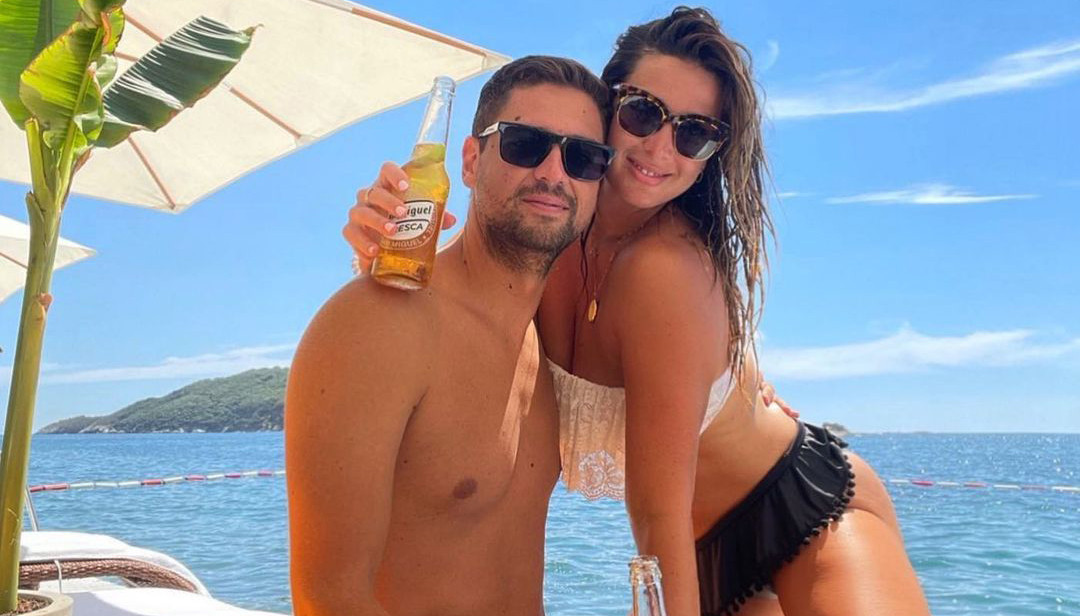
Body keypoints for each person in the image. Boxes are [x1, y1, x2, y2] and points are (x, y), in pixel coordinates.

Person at [345, 7, 932, 616]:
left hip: (805, 514)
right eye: (643, 113)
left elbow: (657, 513)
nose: (659, 146)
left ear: (711, 154)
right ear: (607, 106)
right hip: (696, 549)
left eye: (695, 133)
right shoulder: (545, 234)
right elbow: (453, 316)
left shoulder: (667, 271)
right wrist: (382, 248)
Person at [285, 56, 613, 616]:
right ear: (470, 160)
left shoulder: (550, 345)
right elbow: (329, 599)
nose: (555, 173)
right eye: (526, 144)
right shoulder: (380, 322)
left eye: (583, 158)